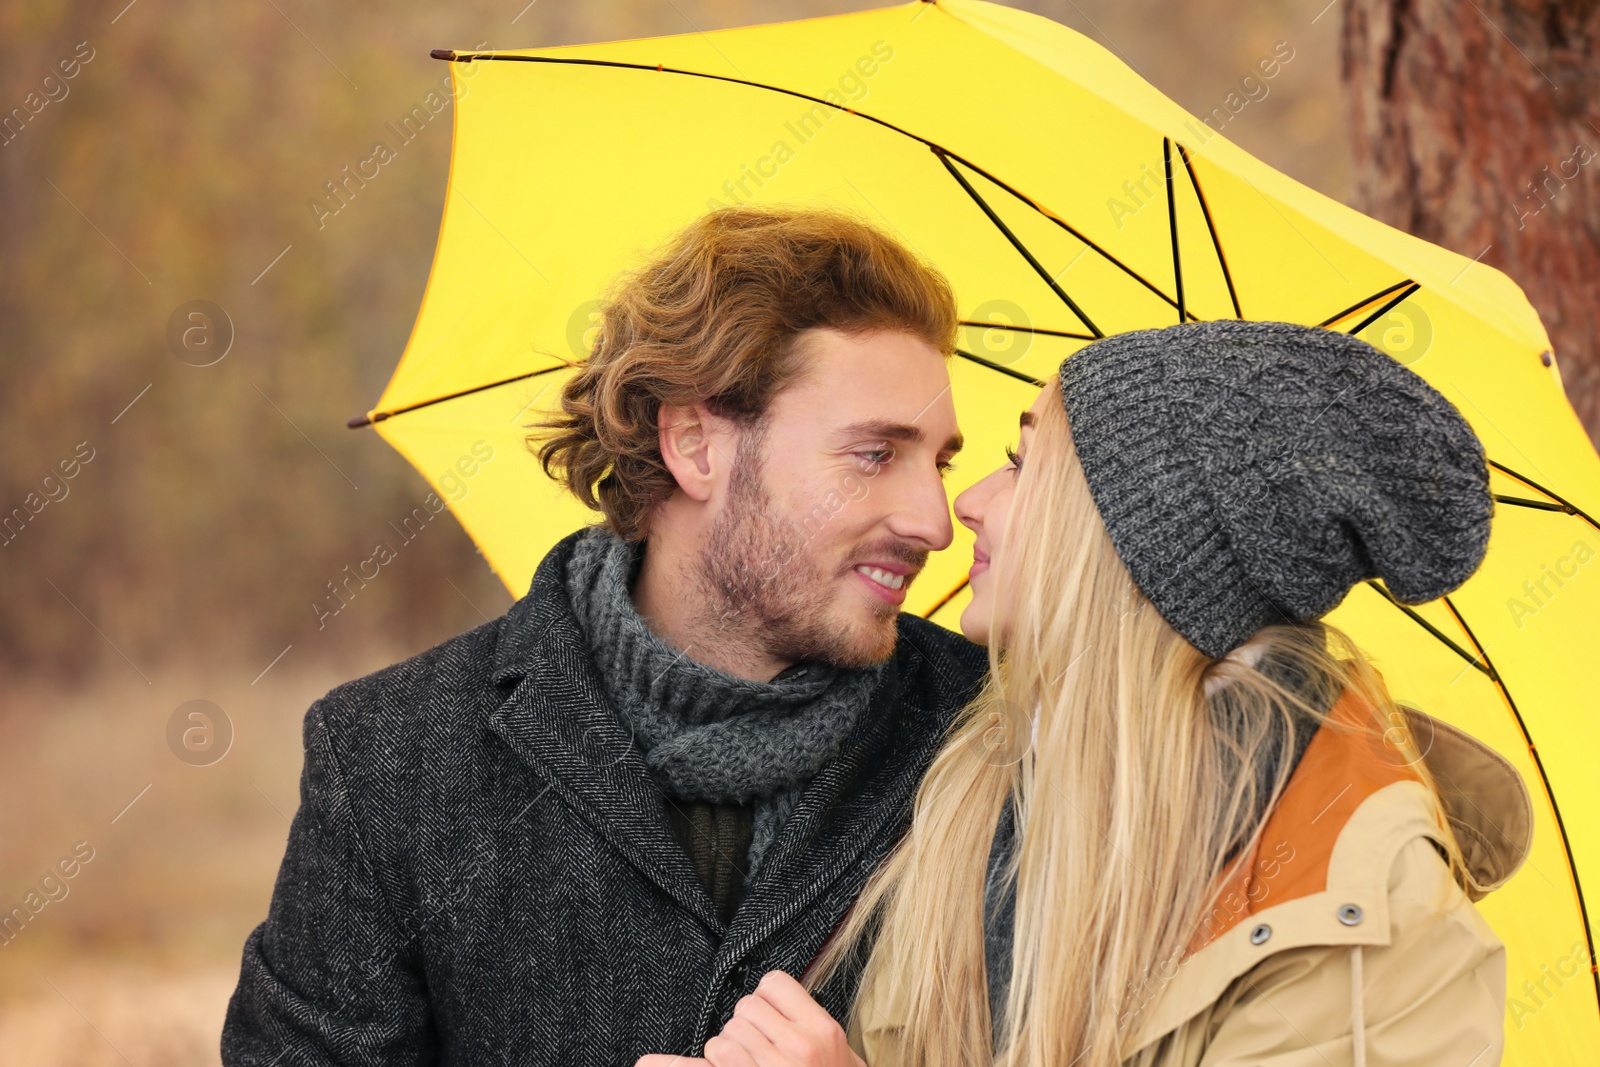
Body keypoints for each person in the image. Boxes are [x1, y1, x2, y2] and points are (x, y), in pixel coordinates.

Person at [220, 204, 991, 1064]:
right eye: (876, 454)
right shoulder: (391, 761)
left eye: (941, 460)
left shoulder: (986, 736)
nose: (934, 519)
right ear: (696, 443)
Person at [652, 320, 1533, 1067]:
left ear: (1134, 545)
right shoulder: (982, 786)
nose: (971, 504)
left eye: (1024, 465)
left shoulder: (1371, 937)